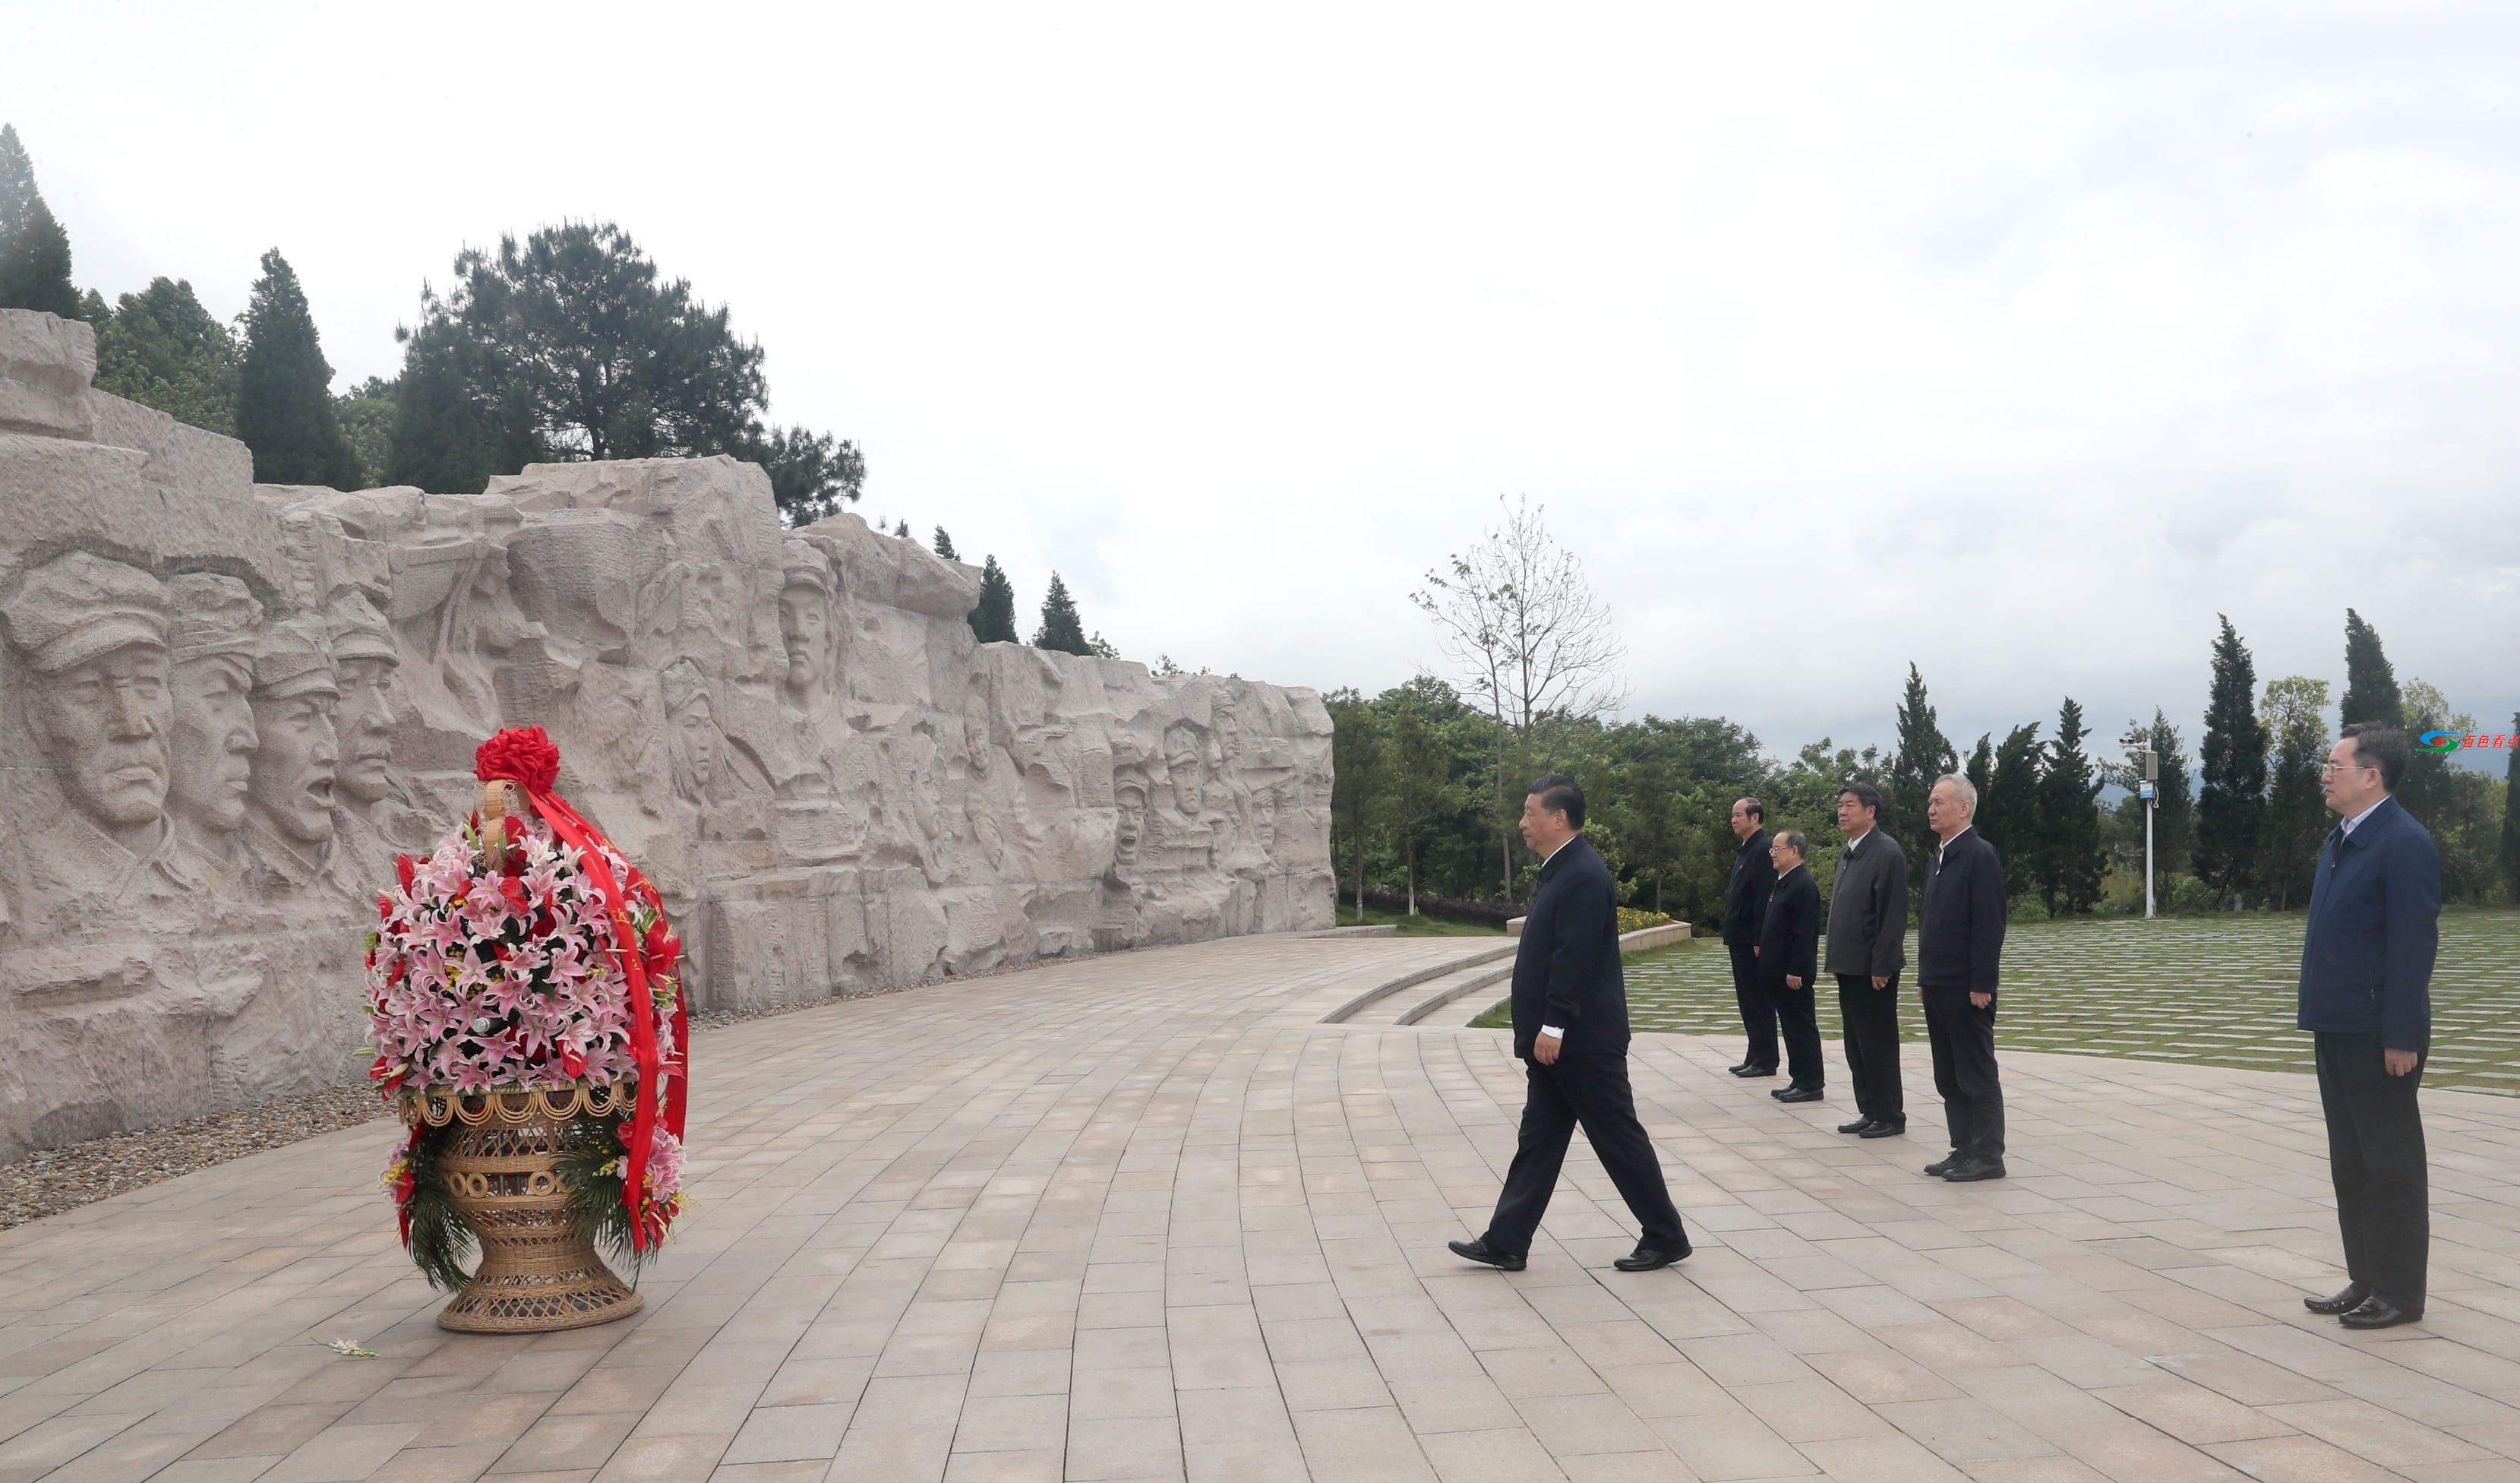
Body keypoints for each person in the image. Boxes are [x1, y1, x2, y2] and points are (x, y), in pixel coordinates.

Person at [1451, 775, 1691, 1273]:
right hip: (1559, 1042)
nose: (1522, 823)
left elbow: (1573, 957)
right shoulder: (1562, 870)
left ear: (1559, 818)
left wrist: (1554, 1025)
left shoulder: (1581, 873)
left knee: (1617, 1137)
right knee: (1539, 1139)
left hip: (1579, 1041)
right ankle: (1507, 1240)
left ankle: (1666, 1235)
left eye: (1529, 812)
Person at [2298, 723, 2439, 1331]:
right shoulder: (2344, 838)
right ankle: (2366, 1277)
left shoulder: (2403, 842)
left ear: (2370, 775)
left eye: (2335, 765)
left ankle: (2400, 1293)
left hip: (2380, 1031)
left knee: (2391, 1164)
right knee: (2351, 1163)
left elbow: (2413, 947)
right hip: (2337, 1023)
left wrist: (2401, 1034)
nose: (2326, 775)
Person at [1918, 775, 2007, 1181]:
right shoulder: (1938, 856)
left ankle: (1988, 1155)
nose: (1931, 809)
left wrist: (1982, 984)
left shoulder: (1979, 855)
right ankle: (1963, 1147)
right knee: (1948, 1073)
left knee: (1975, 1072)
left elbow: (1989, 925)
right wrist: (1925, 976)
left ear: (1964, 808)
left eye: (1939, 802)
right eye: (1930, 803)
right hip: (1938, 982)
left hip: (1967, 987)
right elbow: (1931, 923)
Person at [1824, 783, 1908, 1137]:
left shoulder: (1886, 852)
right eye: (1840, 805)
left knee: (1878, 1043)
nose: (1842, 812)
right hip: (1848, 964)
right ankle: (1869, 1109)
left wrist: (1882, 965)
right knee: (1856, 1043)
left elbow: (1892, 915)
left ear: (1870, 811)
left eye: (1850, 805)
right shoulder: (1849, 852)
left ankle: (1890, 1115)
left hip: (1872, 968)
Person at [1758, 830, 1824, 1103]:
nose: (1773, 854)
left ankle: (1811, 1082)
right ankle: (1799, 1077)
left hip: (1792, 972)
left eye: (1777, 849)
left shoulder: (1803, 885)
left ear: (1794, 851)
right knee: (1790, 1026)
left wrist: (1797, 969)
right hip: (1776, 970)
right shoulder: (1783, 881)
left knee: (1801, 1025)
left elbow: (1805, 932)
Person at [1721, 797, 1779, 1078]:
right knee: (1747, 999)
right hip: (1738, 938)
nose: (1734, 820)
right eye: (1733, 815)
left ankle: (1766, 1059)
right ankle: (1754, 1053)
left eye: (1739, 815)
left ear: (1755, 818)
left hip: (1751, 940)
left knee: (1758, 1000)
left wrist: (1759, 938)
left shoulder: (1762, 849)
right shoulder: (1746, 850)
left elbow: (1762, 898)